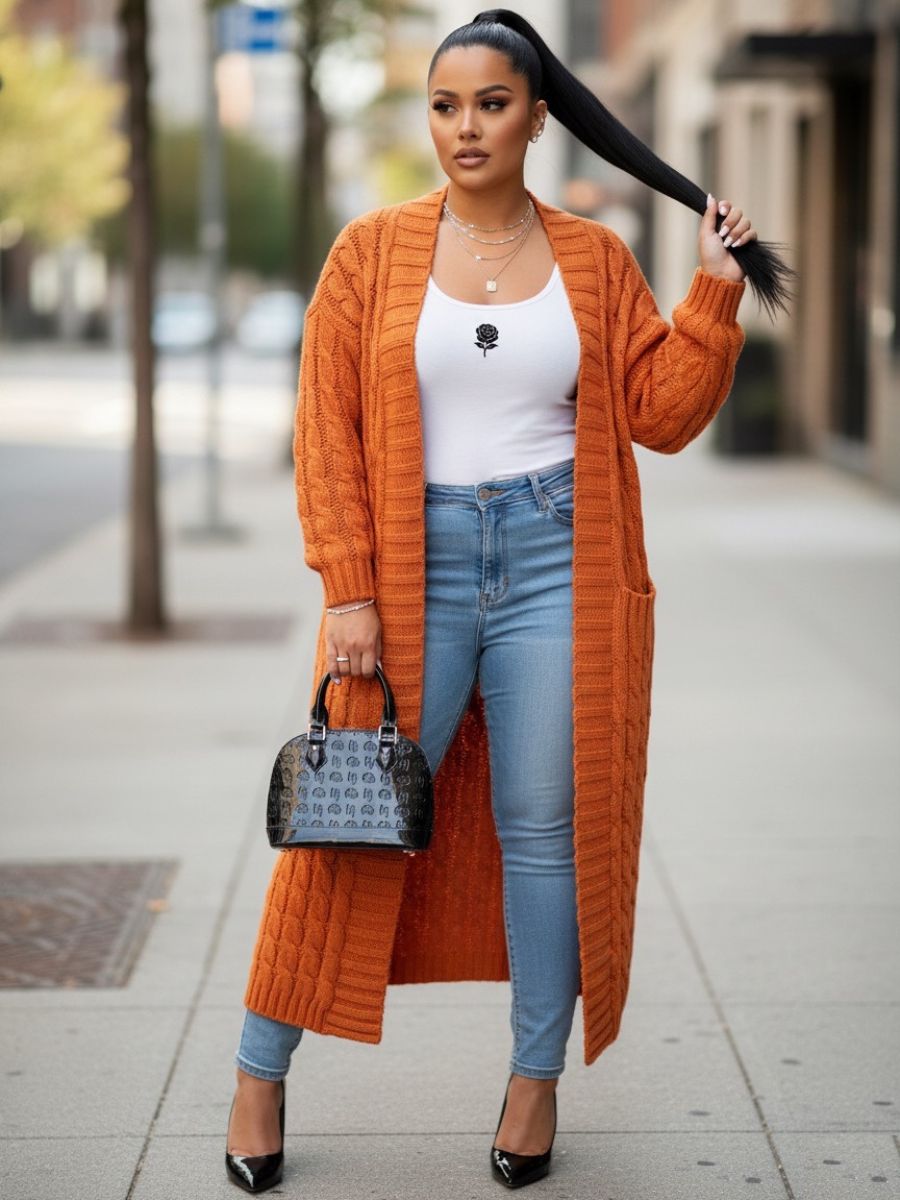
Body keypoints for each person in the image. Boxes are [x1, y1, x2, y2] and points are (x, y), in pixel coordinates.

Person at [225, 8, 791, 1194]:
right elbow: (324, 432)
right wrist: (348, 592)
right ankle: (258, 1067)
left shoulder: (592, 257)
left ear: (537, 114)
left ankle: (534, 1083)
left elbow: (662, 415)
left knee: (544, 838)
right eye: (445, 106)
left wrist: (712, 292)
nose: (466, 127)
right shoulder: (371, 253)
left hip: (554, 565)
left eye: (490, 103)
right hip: (411, 564)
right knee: (345, 821)